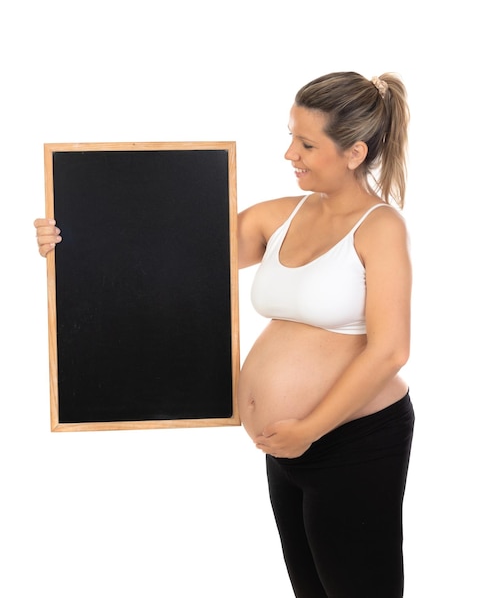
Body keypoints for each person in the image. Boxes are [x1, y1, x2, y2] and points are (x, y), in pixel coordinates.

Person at [34, 71, 414, 598]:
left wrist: (311, 427)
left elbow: (391, 349)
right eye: (290, 136)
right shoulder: (280, 217)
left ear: (354, 152)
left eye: (306, 143)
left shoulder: (380, 227)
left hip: (353, 440)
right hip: (286, 447)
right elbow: (166, 258)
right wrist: (69, 237)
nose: (289, 154)